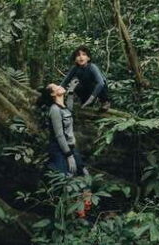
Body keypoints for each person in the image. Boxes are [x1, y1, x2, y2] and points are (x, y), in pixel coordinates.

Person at [36, 83, 92, 218]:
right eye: (56, 86)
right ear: (53, 94)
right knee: (67, 179)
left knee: (85, 175)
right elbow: (59, 135)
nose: (59, 85)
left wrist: (71, 92)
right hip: (59, 150)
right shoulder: (54, 110)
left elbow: (69, 111)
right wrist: (68, 155)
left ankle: (84, 210)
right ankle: (69, 215)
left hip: (71, 148)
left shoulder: (63, 107)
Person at [60, 45, 111, 111]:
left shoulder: (92, 67)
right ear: (75, 59)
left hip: (97, 88)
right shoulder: (75, 68)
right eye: (78, 55)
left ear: (88, 58)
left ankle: (105, 102)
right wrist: (57, 91)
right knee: (77, 85)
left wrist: (91, 99)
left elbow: (100, 83)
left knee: (102, 82)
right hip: (86, 88)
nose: (81, 57)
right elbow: (65, 81)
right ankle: (85, 102)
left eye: (84, 54)